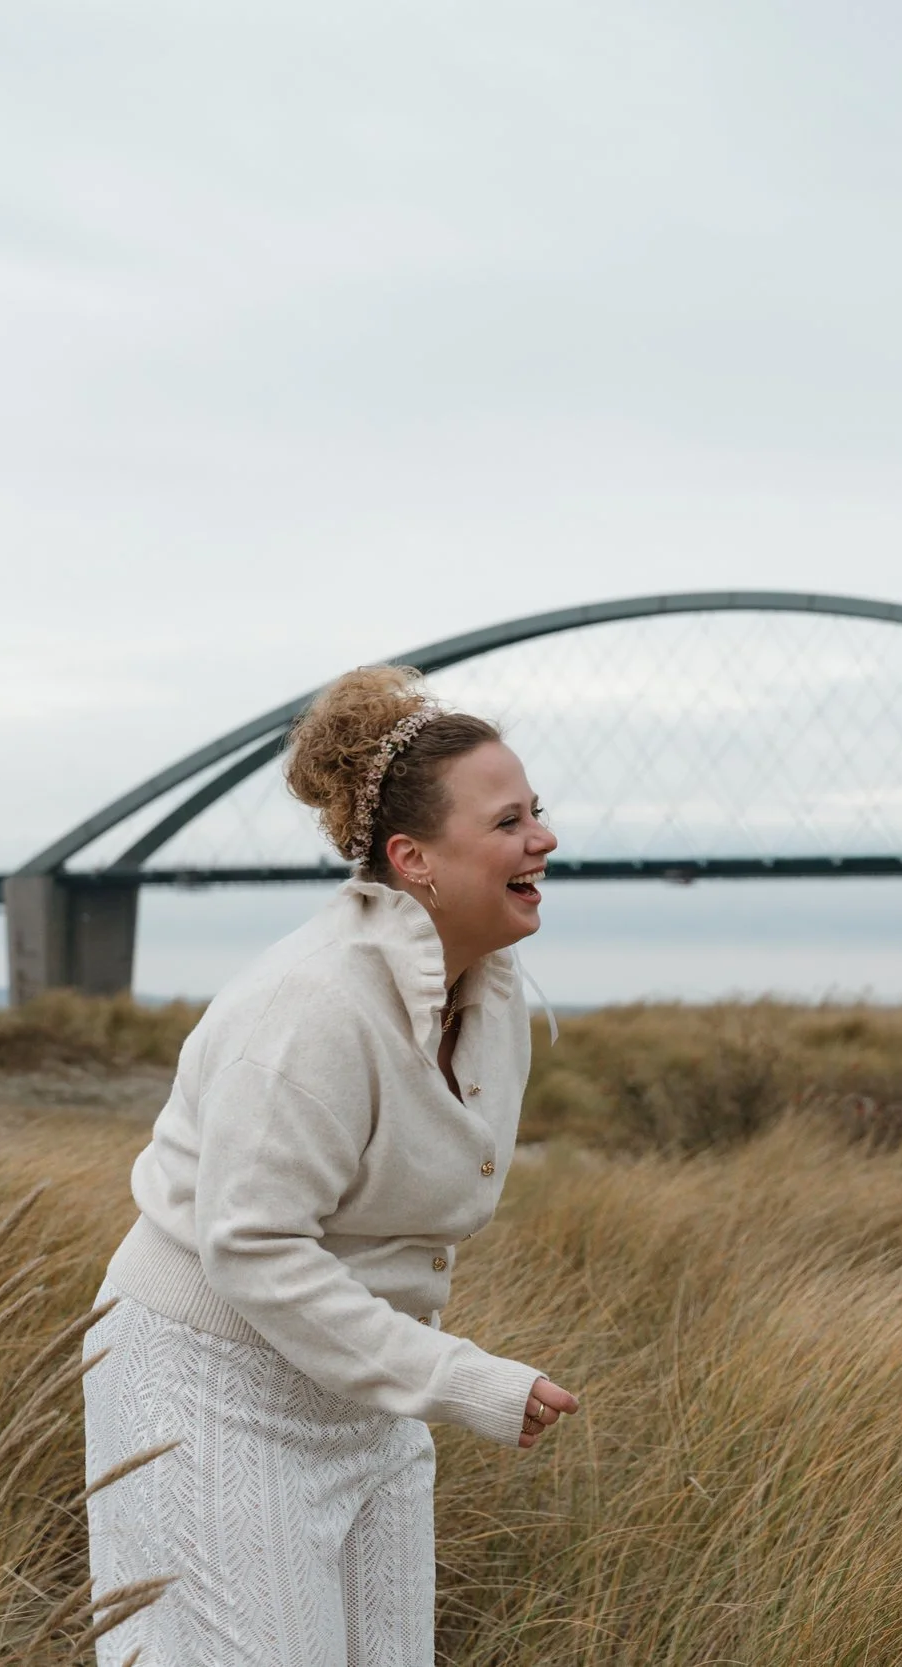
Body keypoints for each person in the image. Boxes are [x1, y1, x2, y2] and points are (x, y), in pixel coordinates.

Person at [83, 665, 579, 1667]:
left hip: (364, 1387)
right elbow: (252, 1247)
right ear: (414, 859)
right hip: (207, 1383)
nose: (545, 839)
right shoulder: (309, 1005)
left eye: (539, 812)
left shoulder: (494, 999)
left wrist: (417, 1373)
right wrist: (461, 1375)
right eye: (509, 820)